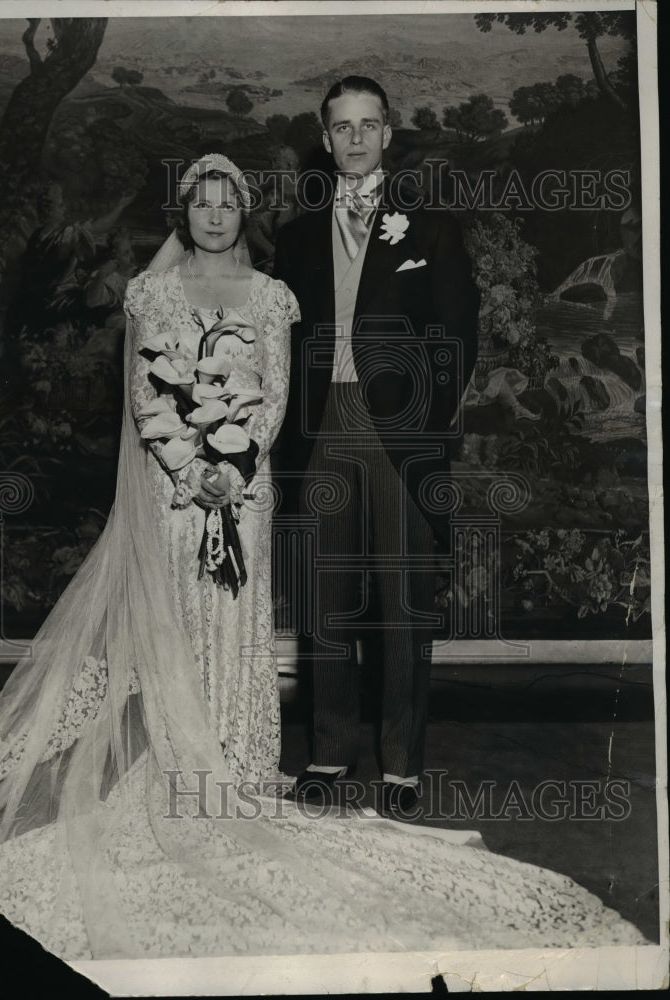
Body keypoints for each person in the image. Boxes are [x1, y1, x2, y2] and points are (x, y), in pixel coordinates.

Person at [0, 155, 647, 961]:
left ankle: (236, 768)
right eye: (204, 204)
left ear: (244, 212)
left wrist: (236, 463)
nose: (217, 216)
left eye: (230, 204)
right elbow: (148, 393)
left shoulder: (271, 297)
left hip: (247, 486)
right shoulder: (155, 293)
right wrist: (188, 467)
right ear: (185, 212)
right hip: (175, 493)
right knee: (180, 627)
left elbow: (278, 392)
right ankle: (174, 765)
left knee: (238, 622)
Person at [274, 77, 481, 818]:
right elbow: (281, 341)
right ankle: (328, 750)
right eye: (341, 127)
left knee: (402, 602)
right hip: (321, 423)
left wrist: (427, 424)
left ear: (388, 133)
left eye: (369, 125)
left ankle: (402, 764)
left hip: (402, 431)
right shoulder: (294, 236)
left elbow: (459, 337)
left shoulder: (431, 226)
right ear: (324, 138)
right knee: (325, 600)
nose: (356, 138)